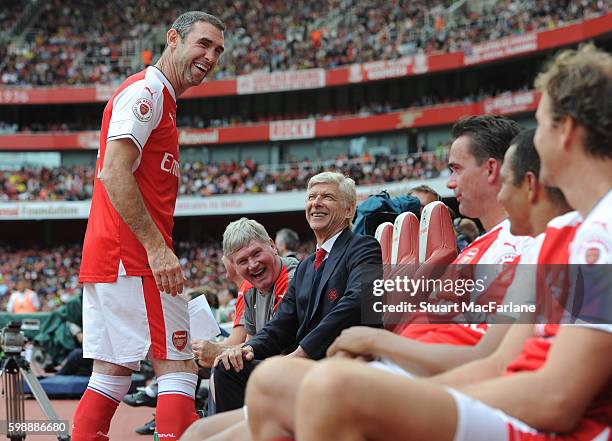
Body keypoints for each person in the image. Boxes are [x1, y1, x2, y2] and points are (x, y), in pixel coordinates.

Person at [249, 44, 612, 441]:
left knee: (333, 389)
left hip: (544, 426)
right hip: (503, 400)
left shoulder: (599, 236)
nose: (527, 146)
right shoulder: (562, 234)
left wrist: (404, 392)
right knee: (274, 381)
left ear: (567, 132)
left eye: (540, 126)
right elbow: (499, 363)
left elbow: (556, 398)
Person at [73, 11, 225, 441]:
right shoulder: (148, 92)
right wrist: (157, 249)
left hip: (112, 257)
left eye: (217, 51)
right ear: (173, 39)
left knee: (112, 372)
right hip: (134, 258)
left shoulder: (162, 99)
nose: (211, 56)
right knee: (177, 365)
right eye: (203, 44)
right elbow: (114, 173)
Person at [210, 172, 382, 413]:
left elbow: (357, 302)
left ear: (349, 210)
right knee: (228, 367)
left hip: (337, 363)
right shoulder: (306, 266)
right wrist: (249, 348)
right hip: (303, 366)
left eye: (327, 196)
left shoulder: (364, 247)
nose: (316, 202)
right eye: (312, 197)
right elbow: (282, 323)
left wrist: (302, 353)